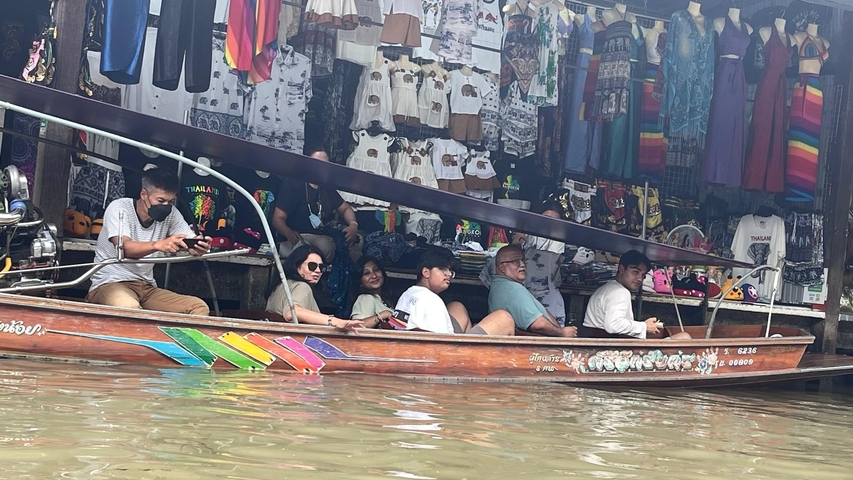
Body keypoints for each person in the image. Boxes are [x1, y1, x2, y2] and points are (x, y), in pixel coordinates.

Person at [86, 168, 211, 315]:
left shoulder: (172, 214)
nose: (165, 206)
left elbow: (186, 240)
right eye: (160, 200)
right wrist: (159, 244)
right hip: (110, 284)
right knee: (128, 307)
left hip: (146, 287)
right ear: (144, 194)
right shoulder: (120, 208)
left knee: (198, 307)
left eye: (170, 201)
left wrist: (197, 246)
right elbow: (125, 248)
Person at [394, 250, 515, 335]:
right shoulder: (431, 300)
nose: (449, 274)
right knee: (503, 318)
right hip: (443, 355)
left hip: (415, 346)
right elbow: (444, 342)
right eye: (442, 269)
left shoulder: (408, 293)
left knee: (456, 306)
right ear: (426, 272)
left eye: (450, 270)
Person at [271, 149, 360, 261]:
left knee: (355, 245)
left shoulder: (326, 187)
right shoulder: (293, 184)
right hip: (297, 238)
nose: (321, 167)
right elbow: (277, 219)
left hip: (320, 235)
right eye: (317, 163)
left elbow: (346, 208)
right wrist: (288, 232)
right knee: (324, 246)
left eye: (325, 164)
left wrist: (353, 224)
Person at [582, 250, 692, 340]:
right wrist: (644, 326)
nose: (639, 279)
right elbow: (613, 325)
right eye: (635, 272)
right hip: (613, 353)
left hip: (602, 345)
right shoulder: (620, 292)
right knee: (684, 337)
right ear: (621, 269)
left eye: (643, 275)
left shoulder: (604, 289)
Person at [266, 244, 362, 331]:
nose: (317, 270)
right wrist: (335, 321)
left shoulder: (280, 286)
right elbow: (291, 313)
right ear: (297, 266)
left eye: (321, 267)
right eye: (312, 266)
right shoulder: (302, 286)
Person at [488, 245, 577, 337]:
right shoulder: (513, 289)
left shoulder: (499, 285)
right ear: (502, 268)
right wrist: (562, 333)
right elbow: (539, 325)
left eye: (523, 260)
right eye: (515, 261)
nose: (522, 264)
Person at [511, 202, 567, 326]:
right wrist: (517, 242)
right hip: (523, 289)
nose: (549, 223)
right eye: (546, 218)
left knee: (550, 327)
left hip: (547, 293)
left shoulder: (559, 240)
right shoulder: (528, 233)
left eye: (554, 220)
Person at [349, 256, 396, 328]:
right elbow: (357, 327)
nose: (374, 276)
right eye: (367, 273)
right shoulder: (365, 298)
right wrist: (382, 315)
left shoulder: (384, 299)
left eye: (376, 270)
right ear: (360, 282)